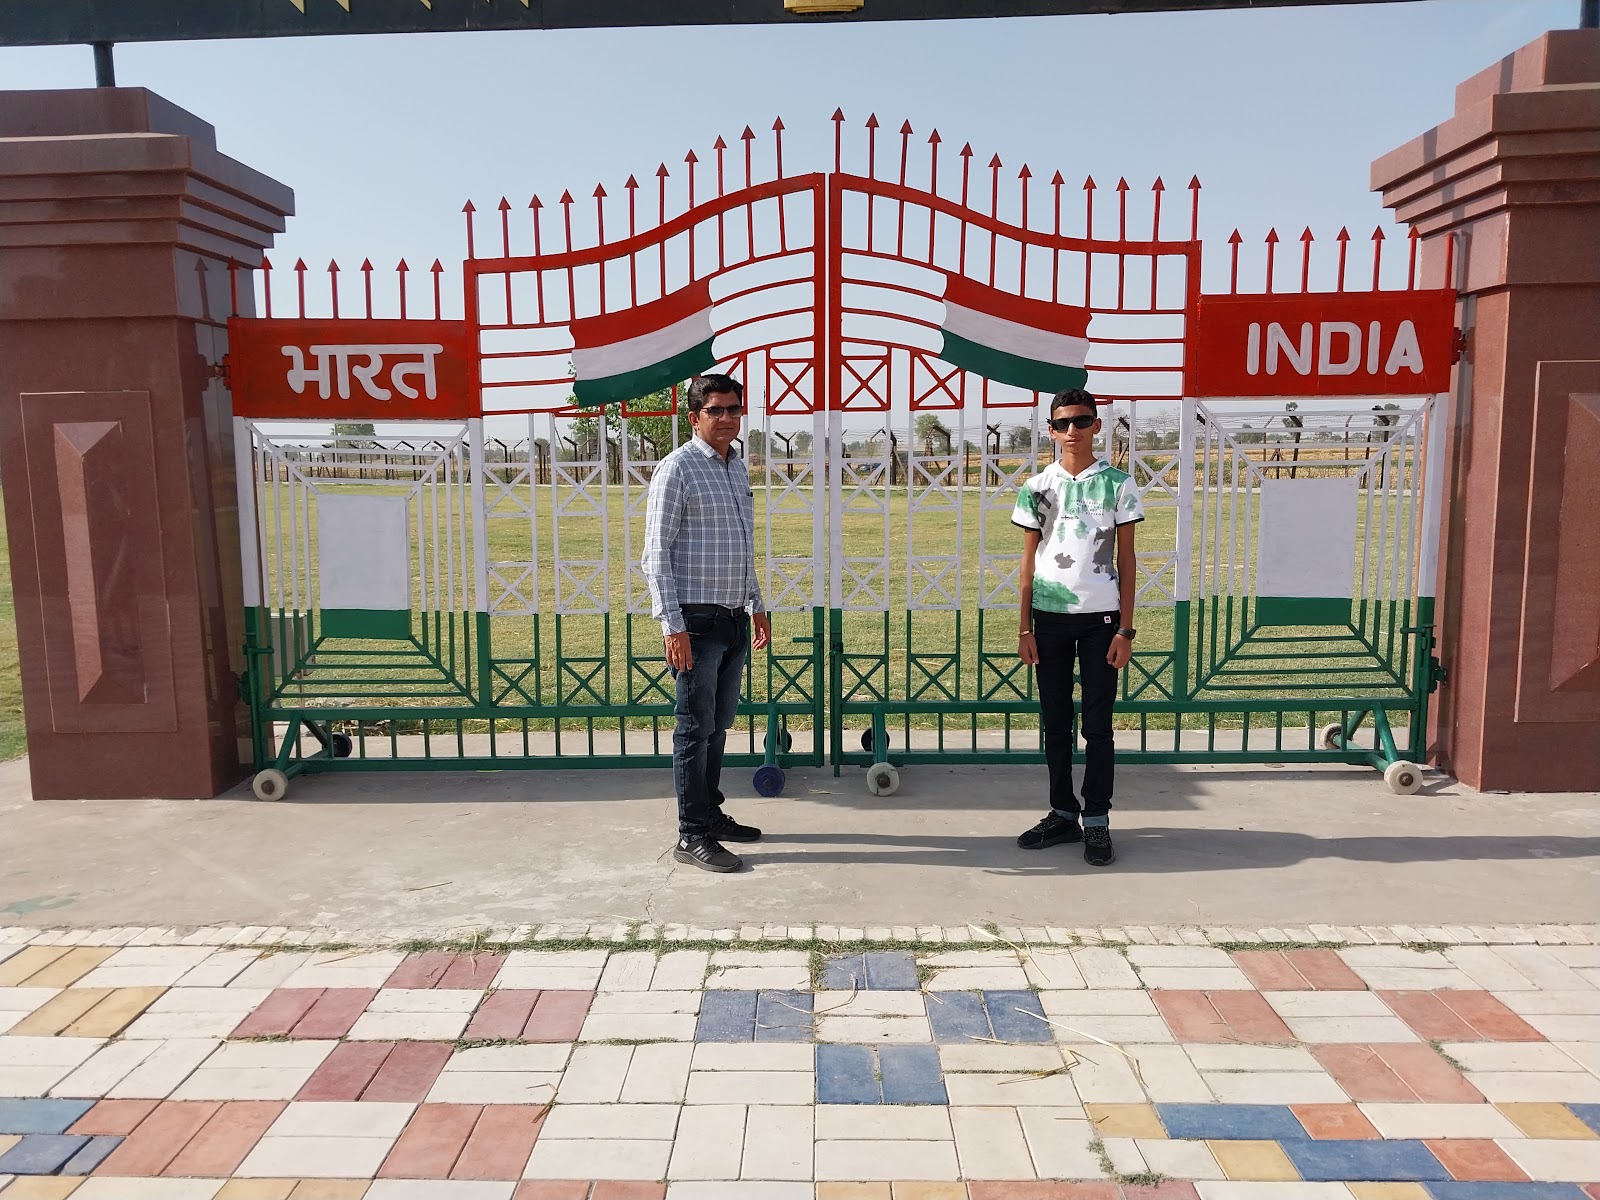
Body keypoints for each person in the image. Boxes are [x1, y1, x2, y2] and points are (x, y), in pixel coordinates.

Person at [641, 374, 772, 873]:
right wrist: (672, 625)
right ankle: (691, 834)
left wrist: (755, 604)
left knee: (717, 728)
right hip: (694, 621)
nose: (727, 419)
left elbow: (741, 545)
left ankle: (711, 814)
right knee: (694, 731)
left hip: (732, 618)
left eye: (734, 410)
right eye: (716, 410)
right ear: (693, 417)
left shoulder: (736, 468)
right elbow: (656, 554)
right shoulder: (677, 469)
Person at [1011, 388, 1144, 866]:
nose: (1073, 431)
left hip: (1101, 621)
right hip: (1048, 621)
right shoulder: (1036, 487)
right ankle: (1062, 813)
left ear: (1097, 427)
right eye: (1064, 423)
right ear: (1050, 430)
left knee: (1098, 726)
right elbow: (1028, 562)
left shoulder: (1118, 484)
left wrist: (1125, 630)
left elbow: (1127, 560)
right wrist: (1024, 627)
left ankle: (1098, 821)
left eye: (1083, 421)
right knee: (1055, 724)